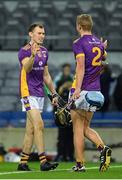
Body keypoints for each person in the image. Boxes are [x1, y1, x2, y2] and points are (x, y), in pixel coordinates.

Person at [69, 14, 112, 172]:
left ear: (79, 26)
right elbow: (102, 60)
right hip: (95, 90)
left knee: (78, 129)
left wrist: (78, 89)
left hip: (82, 89)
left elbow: (80, 67)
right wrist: (104, 49)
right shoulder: (99, 45)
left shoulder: (78, 43)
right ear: (91, 26)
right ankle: (103, 148)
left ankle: (80, 164)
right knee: (86, 127)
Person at [17, 23, 58, 171]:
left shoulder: (45, 51)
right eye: (39, 33)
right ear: (30, 34)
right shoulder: (24, 51)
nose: (42, 35)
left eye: (43, 33)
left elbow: (46, 76)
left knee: (31, 130)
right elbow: (26, 69)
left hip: (40, 93)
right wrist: (33, 55)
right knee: (39, 125)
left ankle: (23, 163)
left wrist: (53, 93)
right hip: (27, 93)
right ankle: (43, 161)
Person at [54, 63, 74, 162]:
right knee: (61, 135)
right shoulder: (58, 80)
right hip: (61, 111)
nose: (66, 71)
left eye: (68, 69)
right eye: (65, 69)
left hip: (71, 111)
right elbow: (55, 93)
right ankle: (60, 154)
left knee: (71, 135)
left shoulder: (73, 79)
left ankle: (70, 155)